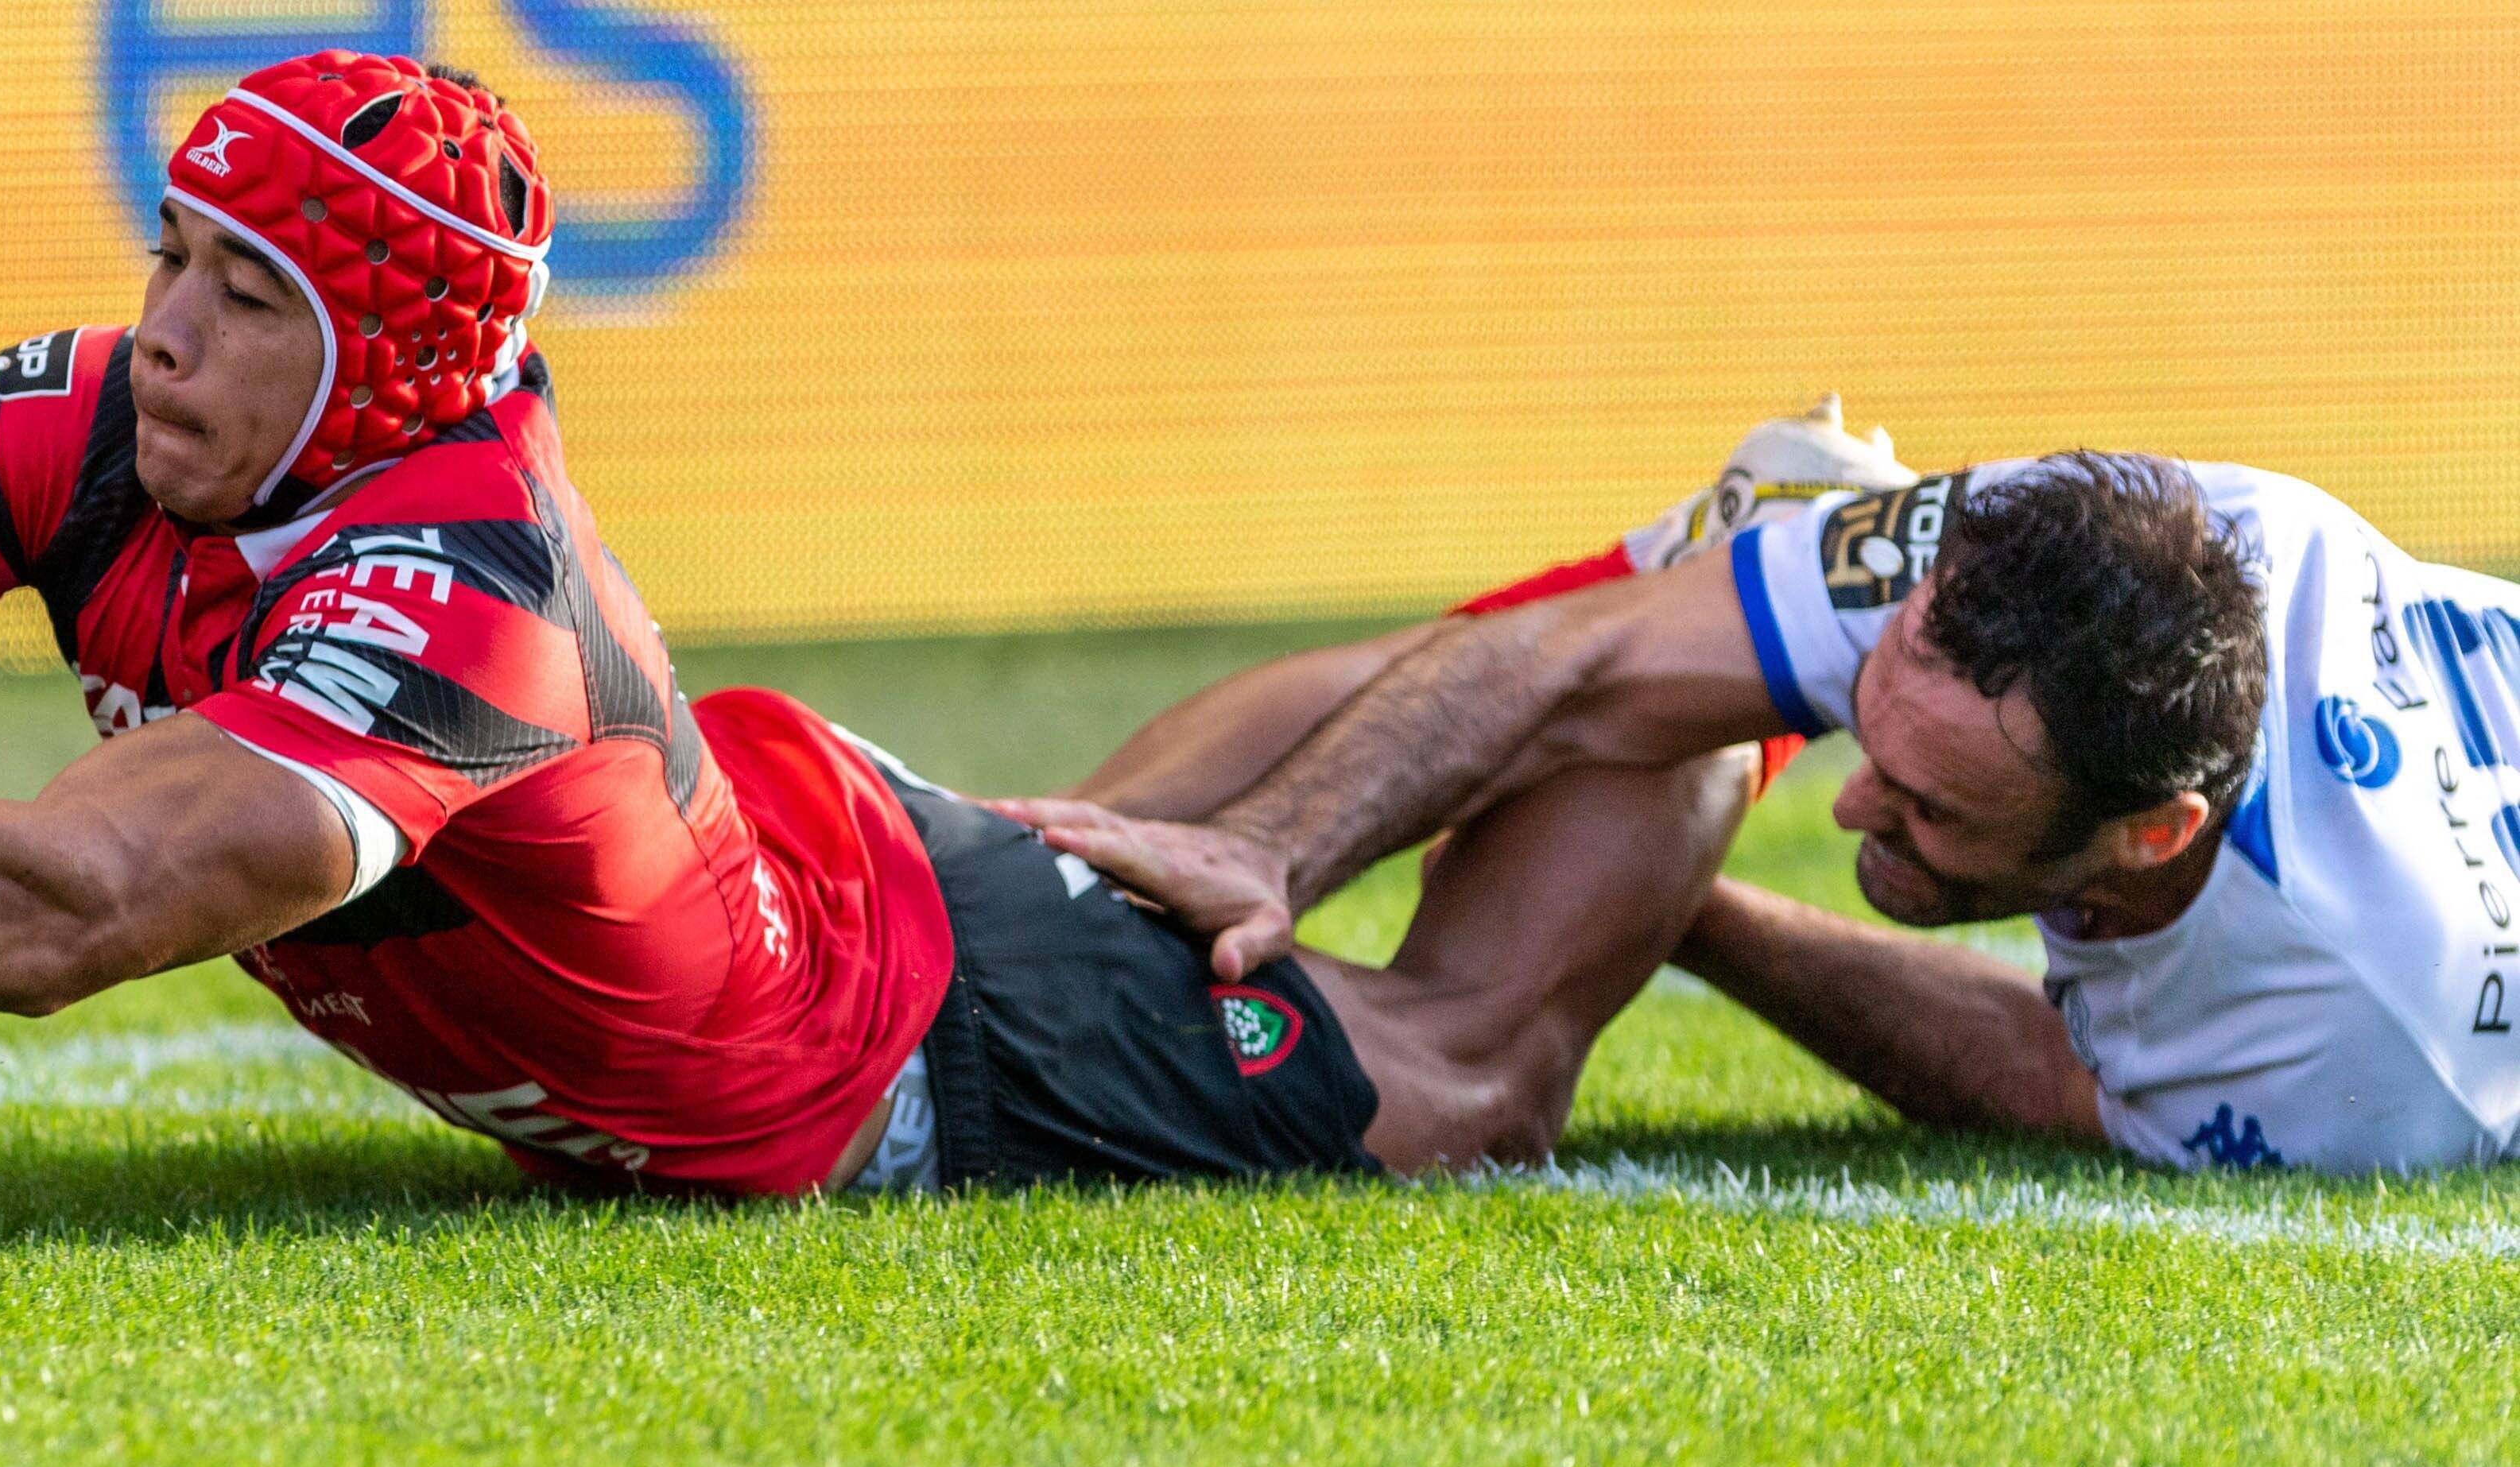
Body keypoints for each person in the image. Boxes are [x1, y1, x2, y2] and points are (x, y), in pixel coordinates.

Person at [0, 52, 1752, 1195]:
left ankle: (1708, 615)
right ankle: (1591, 626)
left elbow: (76, 910)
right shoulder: (110, 417)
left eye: (246, 295)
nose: (165, 330)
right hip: (797, 848)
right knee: (1138, 840)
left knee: (1468, 1080)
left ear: (378, 351)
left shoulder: (452, 597)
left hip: (890, 1044)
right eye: (171, 256)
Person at [1004, 449, 2520, 1175]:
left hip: (2414, 967)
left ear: (2151, 834)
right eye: (1868, 724)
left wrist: (1693, 913)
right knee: (1707, 573)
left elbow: (2058, 1080)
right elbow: (1587, 656)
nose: (1853, 797)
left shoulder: (2351, 1042)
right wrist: (1277, 838)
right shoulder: (2164, 528)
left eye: (1926, 811)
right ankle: (998, 859)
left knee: (1480, 1076)